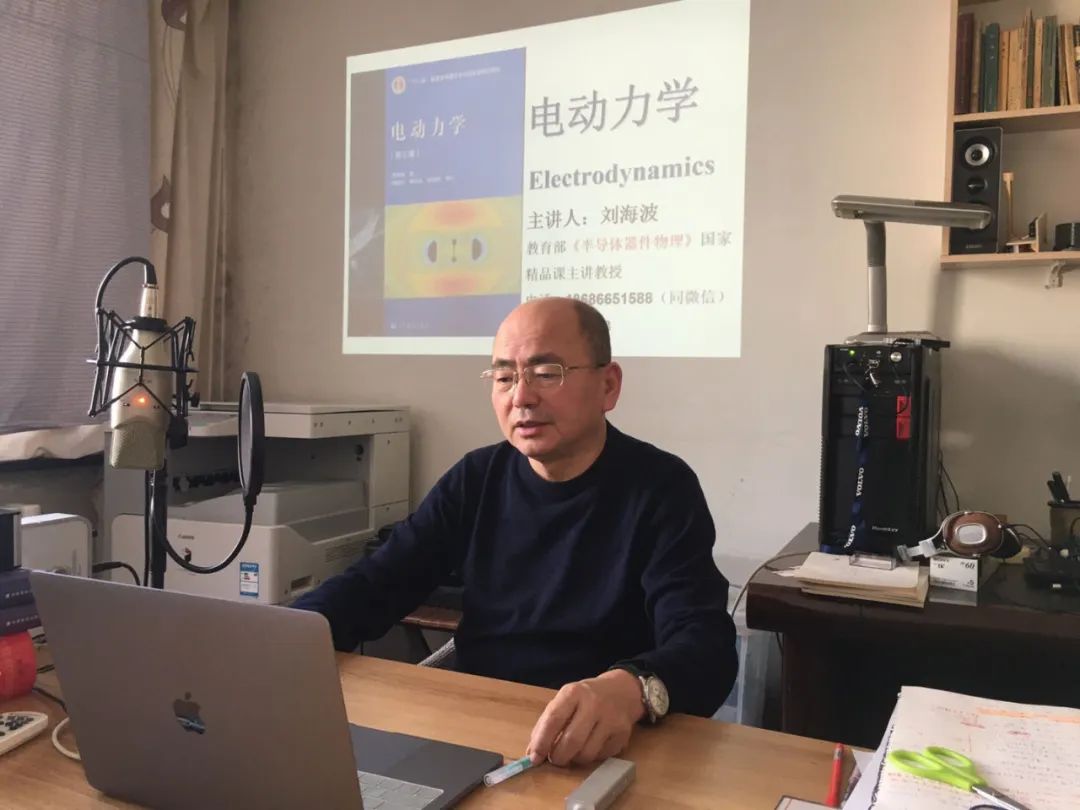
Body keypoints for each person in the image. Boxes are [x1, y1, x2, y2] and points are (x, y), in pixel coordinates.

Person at [292, 297, 737, 767]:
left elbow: (706, 645)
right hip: (479, 726)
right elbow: (376, 583)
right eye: (504, 377)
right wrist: (288, 636)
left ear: (608, 385)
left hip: (601, 745)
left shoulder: (661, 488)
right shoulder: (476, 478)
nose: (521, 397)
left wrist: (631, 689)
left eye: (546, 373)